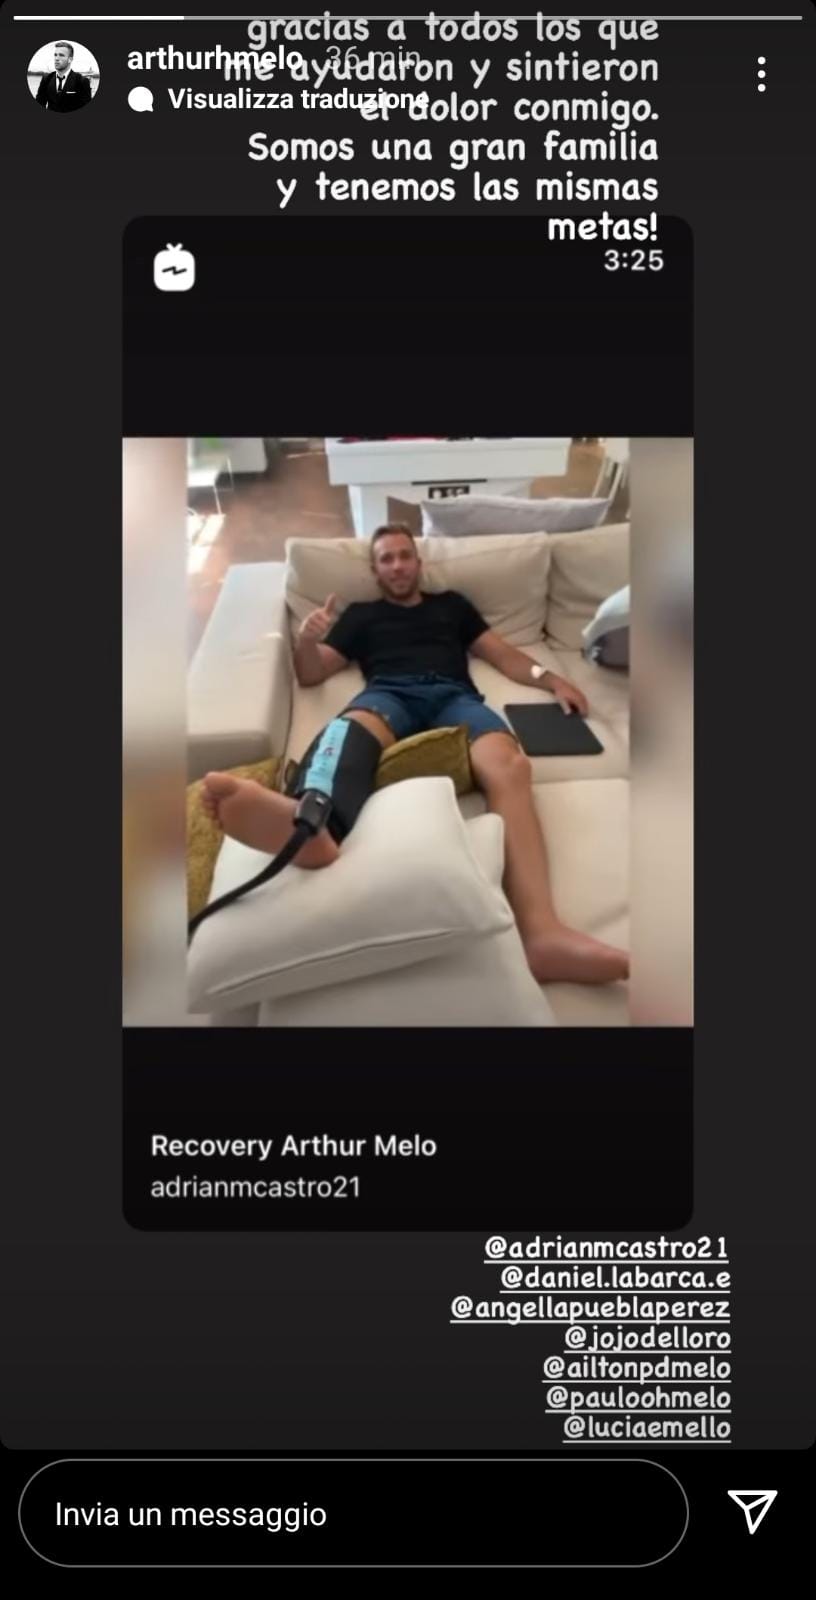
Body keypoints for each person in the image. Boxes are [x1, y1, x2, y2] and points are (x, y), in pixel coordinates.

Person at [202, 524, 629, 986]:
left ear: (418, 563)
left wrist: (553, 680)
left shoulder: (452, 605)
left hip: (454, 697)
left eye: (405, 555)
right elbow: (312, 673)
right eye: (386, 559)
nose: (397, 565)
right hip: (389, 695)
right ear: (375, 570)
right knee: (342, 736)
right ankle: (311, 828)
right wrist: (306, 641)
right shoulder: (362, 615)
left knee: (510, 764)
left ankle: (543, 936)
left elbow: (504, 655)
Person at [35, 43, 92, 112]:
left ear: (70, 59)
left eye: (61, 55)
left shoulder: (82, 81)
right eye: (55, 55)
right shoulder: (46, 79)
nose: (56, 58)